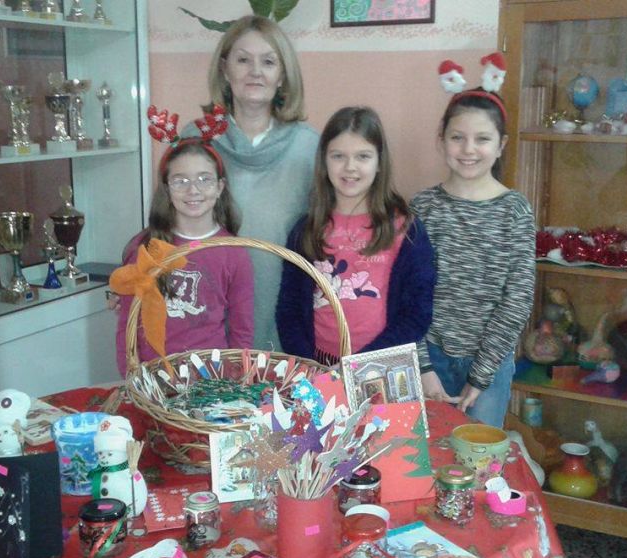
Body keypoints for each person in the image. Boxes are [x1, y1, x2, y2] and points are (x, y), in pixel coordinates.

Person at [183, 15, 319, 351]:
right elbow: (164, 222)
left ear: (282, 75)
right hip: (206, 310)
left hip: (284, 308)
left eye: (268, 62)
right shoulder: (195, 139)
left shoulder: (310, 146)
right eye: (243, 60)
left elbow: (328, 233)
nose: (255, 71)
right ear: (225, 69)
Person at [413, 76, 536, 428]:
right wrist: (423, 368)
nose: (469, 149)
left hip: (489, 365)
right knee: (423, 450)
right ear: (441, 141)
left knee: (479, 455)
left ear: (501, 145)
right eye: (457, 137)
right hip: (428, 361)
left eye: (482, 139)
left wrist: (480, 375)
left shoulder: (515, 210)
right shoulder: (422, 207)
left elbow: (518, 298)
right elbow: (407, 294)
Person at [276, 106, 435, 365]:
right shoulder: (305, 231)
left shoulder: (407, 231)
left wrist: (362, 365)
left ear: (379, 162)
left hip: (380, 366)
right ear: (324, 161)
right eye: (338, 156)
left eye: (363, 156)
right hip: (318, 367)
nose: (350, 167)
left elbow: (417, 313)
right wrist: (311, 365)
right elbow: (289, 310)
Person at [114, 137, 254, 377]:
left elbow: (242, 330)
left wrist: (236, 377)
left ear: (220, 187)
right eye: (180, 181)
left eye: (204, 179)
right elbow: (128, 322)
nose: (193, 190)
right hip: (153, 376)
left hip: (211, 379)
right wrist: (130, 375)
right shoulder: (145, 248)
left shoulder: (235, 253)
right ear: (167, 189)